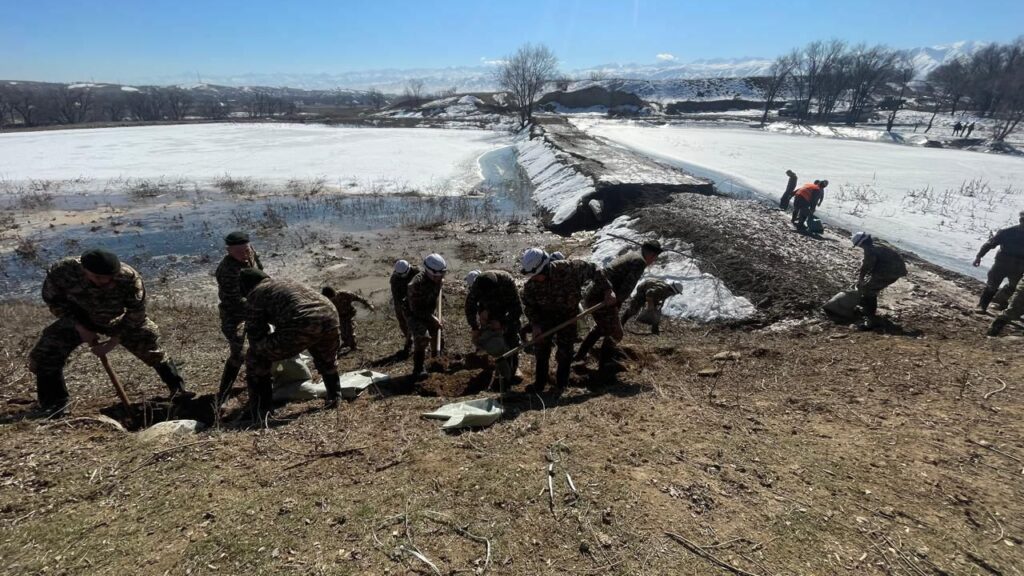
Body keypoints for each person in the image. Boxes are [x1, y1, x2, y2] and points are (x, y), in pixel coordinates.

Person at [28, 249, 193, 416]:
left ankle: (178, 389)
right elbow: (53, 301)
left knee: (148, 342)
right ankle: (54, 404)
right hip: (78, 318)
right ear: (84, 270)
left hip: (118, 319)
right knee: (47, 351)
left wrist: (112, 343)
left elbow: (136, 313)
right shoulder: (62, 271)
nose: (106, 281)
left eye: (110, 278)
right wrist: (79, 326)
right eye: (98, 278)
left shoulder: (129, 277)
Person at [240, 269, 342, 416]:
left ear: (245, 287)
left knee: (255, 356)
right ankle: (334, 397)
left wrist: (267, 348)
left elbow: (255, 334)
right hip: (330, 315)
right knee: (327, 359)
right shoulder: (283, 282)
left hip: (302, 322)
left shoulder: (256, 293)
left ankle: (261, 410)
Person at [520, 248, 614, 394]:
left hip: (568, 317)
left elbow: (594, 269)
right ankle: (539, 384)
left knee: (565, 352)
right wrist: (535, 325)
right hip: (545, 319)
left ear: (545, 267)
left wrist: (608, 290)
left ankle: (561, 385)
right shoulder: (530, 286)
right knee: (541, 350)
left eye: (537, 275)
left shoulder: (569, 269)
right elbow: (530, 307)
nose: (534, 278)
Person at [576, 241, 663, 367]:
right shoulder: (639, 261)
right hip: (602, 297)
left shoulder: (632, 255)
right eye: (655, 257)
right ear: (651, 254)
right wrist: (617, 302)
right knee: (616, 332)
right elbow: (627, 287)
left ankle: (579, 356)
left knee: (602, 327)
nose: (654, 260)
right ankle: (605, 363)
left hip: (595, 293)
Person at [215, 231, 263, 404]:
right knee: (239, 353)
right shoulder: (226, 270)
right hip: (234, 315)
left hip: (255, 307)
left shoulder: (251, 253)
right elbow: (234, 300)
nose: (245, 254)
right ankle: (224, 391)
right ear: (229, 251)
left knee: (264, 344)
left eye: (247, 249)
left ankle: (262, 380)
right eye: (239, 251)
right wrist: (258, 308)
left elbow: (261, 275)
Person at [464, 269, 523, 390]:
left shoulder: (507, 281)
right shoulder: (478, 285)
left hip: (506, 310)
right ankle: (490, 363)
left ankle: (512, 370)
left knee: (511, 338)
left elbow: (517, 309)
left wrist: (502, 323)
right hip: (488, 310)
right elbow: (470, 306)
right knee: (489, 338)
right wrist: (474, 327)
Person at [852, 232, 907, 330]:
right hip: (895, 268)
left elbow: (867, 265)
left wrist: (861, 278)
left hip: (890, 271)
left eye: (859, 246)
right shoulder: (876, 243)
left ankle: (871, 320)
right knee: (869, 287)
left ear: (862, 243)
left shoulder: (870, 249)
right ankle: (867, 309)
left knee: (869, 290)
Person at [405, 254, 447, 379]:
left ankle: (436, 359)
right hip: (414, 313)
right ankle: (418, 368)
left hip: (429, 311)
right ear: (428, 271)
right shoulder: (415, 285)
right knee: (422, 338)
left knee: (438, 334)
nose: (439, 278)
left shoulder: (438, 279)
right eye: (436, 275)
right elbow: (416, 310)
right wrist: (432, 318)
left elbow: (437, 291)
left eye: (442, 274)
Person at [973, 211, 1024, 312]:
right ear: (1020, 220)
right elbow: (990, 244)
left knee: (1014, 287)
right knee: (992, 285)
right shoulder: (1007, 232)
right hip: (1002, 263)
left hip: (1020, 265)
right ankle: (982, 305)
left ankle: (1000, 302)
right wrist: (979, 256)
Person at [321, 287, 375, 352]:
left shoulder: (345, 294)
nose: (331, 300)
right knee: (342, 331)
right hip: (338, 316)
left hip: (348, 314)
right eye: (329, 299)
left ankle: (353, 347)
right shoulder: (325, 300)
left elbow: (359, 298)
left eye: (332, 298)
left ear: (335, 294)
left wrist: (369, 305)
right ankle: (346, 342)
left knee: (349, 330)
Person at [389, 259, 419, 354]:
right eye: (401, 275)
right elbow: (397, 298)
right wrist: (405, 307)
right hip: (401, 303)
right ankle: (408, 341)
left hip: (416, 298)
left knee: (418, 323)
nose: (404, 276)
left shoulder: (416, 271)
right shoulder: (394, 280)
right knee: (403, 323)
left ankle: (419, 341)